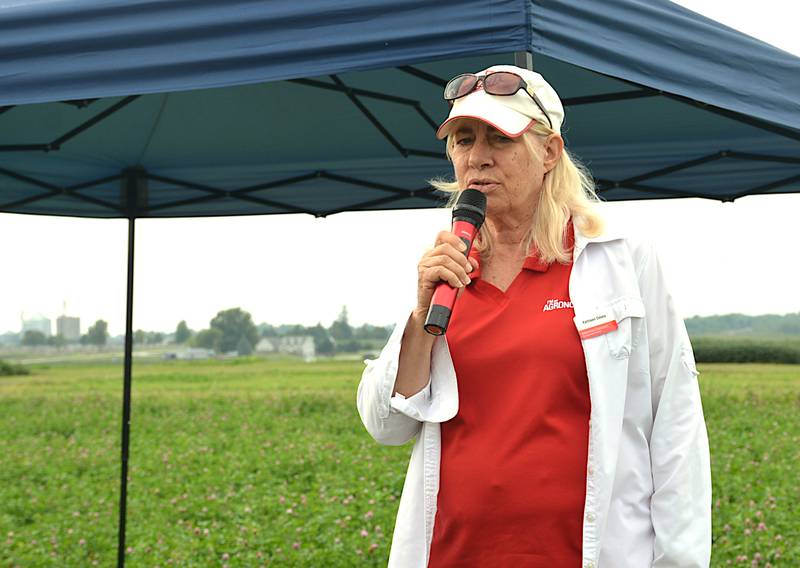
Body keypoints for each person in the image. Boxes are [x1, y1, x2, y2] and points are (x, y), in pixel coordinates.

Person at [356, 64, 711, 568]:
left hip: (586, 553)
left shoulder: (619, 257)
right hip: (451, 553)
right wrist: (420, 317)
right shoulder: (449, 267)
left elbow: (675, 426)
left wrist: (679, 561)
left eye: (499, 138)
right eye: (462, 139)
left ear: (549, 152)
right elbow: (386, 425)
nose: (477, 157)